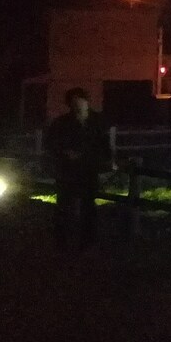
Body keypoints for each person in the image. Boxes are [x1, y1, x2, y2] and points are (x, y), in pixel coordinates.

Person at [45, 88, 114, 251]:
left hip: (89, 170)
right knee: (64, 206)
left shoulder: (97, 121)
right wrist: (65, 153)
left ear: (86, 101)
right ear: (69, 105)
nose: (77, 105)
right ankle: (61, 241)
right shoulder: (62, 123)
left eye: (80, 101)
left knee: (89, 206)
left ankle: (87, 241)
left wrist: (108, 162)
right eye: (73, 103)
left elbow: (105, 145)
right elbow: (52, 144)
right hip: (68, 171)